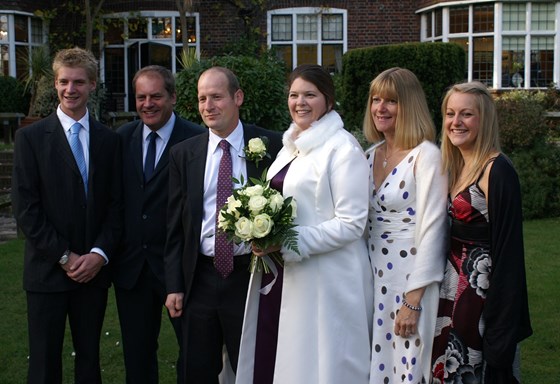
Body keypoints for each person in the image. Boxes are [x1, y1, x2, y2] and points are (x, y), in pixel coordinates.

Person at [235, 64, 374, 383]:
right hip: (287, 275)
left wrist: (285, 242)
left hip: (330, 280)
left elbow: (352, 223)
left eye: (310, 95)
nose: (300, 102)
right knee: (285, 361)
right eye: (294, 94)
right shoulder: (291, 146)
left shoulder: (343, 149)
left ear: (327, 100)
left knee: (319, 365)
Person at [164, 66, 282, 382]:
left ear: (237, 97)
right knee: (196, 369)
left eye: (216, 97)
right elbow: (175, 226)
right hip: (199, 278)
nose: (207, 106)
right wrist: (174, 284)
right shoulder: (183, 153)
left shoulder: (271, 146)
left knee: (255, 369)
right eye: (202, 98)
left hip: (251, 277)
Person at [11, 47, 122, 383]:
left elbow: (117, 206)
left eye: (78, 82)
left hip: (93, 274)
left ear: (92, 85)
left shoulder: (109, 140)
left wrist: (99, 255)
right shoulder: (30, 138)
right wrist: (64, 255)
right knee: (44, 363)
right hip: (46, 272)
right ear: (56, 84)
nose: (70, 89)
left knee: (89, 361)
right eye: (63, 81)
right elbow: (26, 208)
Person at [431, 81, 532, 384]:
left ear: (484, 119)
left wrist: (501, 326)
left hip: (481, 293)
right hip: (450, 286)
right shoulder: (454, 164)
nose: (456, 122)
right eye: (450, 114)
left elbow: (510, 253)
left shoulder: (497, 171)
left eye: (466, 115)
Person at [112, 65, 205, 384]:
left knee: (193, 355)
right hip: (132, 269)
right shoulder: (121, 138)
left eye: (155, 96)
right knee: (137, 358)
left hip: (181, 268)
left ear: (173, 97)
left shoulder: (196, 138)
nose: (147, 104)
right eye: (141, 97)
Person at [362, 67, 448, 383]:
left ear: (408, 106)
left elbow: (433, 229)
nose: (380, 108)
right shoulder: (369, 156)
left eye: (391, 101)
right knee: (377, 360)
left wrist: (413, 300)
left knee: (407, 364)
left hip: (410, 279)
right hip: (371, 277)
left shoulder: (427, 156)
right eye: (375, 100)